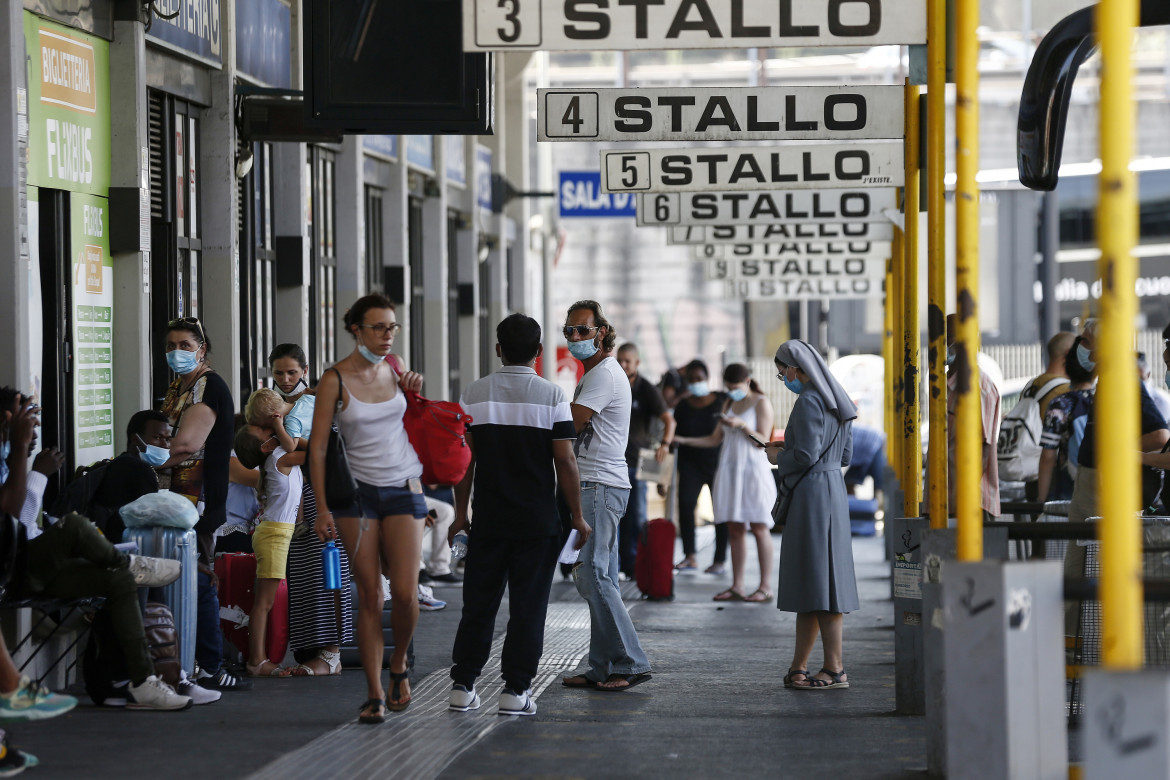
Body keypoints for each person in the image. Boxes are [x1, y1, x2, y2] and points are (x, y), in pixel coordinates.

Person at [0, 388, 192, 711]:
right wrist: (25, 459)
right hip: (13, 568)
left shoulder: (9, 457)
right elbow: (9, 519)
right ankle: (128, 561)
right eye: (28, 424)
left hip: (31, 562)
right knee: (74, 525)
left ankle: (142, 682)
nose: (33, 434)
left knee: (118, 580)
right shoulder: (12, 455)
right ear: (8, 421)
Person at [447, 314, 588, 715]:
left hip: (489, 520)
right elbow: (565, 461)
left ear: (498, 349)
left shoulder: (474, 393)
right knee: (529, 607)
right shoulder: (552, 396)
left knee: (478, 603)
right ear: (539, 352)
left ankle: (463, 684)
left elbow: (464, 463)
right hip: (537, 522)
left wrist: (461, 515)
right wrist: (577, 515)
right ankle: (515, 691)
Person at [309, 295, 428, 722]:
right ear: (355, 329)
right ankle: (376, 692)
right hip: (356, 497)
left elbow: (414, 421)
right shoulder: (333, 379)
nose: (387, 335)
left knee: (407, 594)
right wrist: (322, 508)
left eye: (392, 327)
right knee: (371, 595)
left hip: (403, 486)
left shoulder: (397, 369)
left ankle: (399, 666)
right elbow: (318, 449)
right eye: (378, 327)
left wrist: (414, 391)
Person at [154, 317, 252, 693]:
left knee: (200, 579)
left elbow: (185, 444)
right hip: (174, 501)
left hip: (198, 503)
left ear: (202, 348)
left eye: (184, 345)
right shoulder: (179, 386)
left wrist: (144, 459)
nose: (175, 352)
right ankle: (191, 660)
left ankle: (210, 666)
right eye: (170, 345)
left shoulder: (208, 387)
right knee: (186, 578)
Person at [559, 300, 652, 692]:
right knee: (603, 576)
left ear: (602, 332)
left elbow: (571, 422)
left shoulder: (603, 375)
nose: (576, 337)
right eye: (570, 332)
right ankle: (600, 665)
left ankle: (630, 661)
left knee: (593, 575)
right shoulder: (598, 373)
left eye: (583, 330)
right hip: (599, 483)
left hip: (599, 484)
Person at [767, 341, 858, 690]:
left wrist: (778, 457)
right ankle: (799, 667)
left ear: (794, 368)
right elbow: (845, 454)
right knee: (816, 582)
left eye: (782, 372)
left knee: (818, 582)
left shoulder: (807, 400)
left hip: (811, 495)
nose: (783, 378)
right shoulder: (838, 398)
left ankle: (834, 668)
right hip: (833, 488)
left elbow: (803, 456)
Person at [264, 344, 353, 678]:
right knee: (302, 574)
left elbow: (323, 448)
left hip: (321, 495)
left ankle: (332, 654)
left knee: (329, 571)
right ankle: (310, 650)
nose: (286, 379)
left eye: (292, 372)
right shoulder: (273, 403)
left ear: (304, 370)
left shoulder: (316, 401)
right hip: (292, 500)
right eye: (278, 373)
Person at [672, 363, 776, 603]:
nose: (732, 391)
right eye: (728, 387)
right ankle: (737, 585)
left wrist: (743, 426)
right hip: (729, 469)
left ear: (747, 381)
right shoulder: (728, 403)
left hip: (752, 470)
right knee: (735, 527)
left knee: (759, 527)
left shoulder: (761, 402)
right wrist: (684, 440)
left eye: (736, 387)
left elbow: (763, 441)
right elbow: (713, 439)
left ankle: (765, 586)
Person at [235, 390, 308, 678]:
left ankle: (260, 658)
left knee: (266, 602)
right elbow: (316, 452)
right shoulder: (280, 456)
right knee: (263, 603)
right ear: (266, 445)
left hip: (276, 533)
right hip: (274, 535)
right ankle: (257, 660)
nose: (273, 429)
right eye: (267, 430)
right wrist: (286, 423)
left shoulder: (275, 457)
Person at [926, 314, 1002, 519]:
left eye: (948, 337)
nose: (941, 344)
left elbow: (980, 448)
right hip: (948, 501)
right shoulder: (946, 384)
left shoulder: (977, 388)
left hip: (968, 505)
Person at [615, 343, 674, 579]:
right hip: (612, 462)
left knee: (636, 518)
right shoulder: (612, 384)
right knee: (613, 519)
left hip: (637, 463)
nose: (623, 365)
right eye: (620, 360)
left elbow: (669, 420)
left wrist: (665, 444)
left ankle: (633, 567)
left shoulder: (646, 389)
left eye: (627, 361)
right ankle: (614, 566)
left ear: (637, 363)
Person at [672, 359, 730, 574]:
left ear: (707, 378)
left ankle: (720, 559)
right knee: (686, 506)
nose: (696, 383)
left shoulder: (722, 400)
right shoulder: (683, 406)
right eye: (691, 380)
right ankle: (690, 556)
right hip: (689, 465)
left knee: (720, 511)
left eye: (699, 379)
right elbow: (673, 434)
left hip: (718, 463)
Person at [90, 410, 172, 544]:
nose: (165, 445)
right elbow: (150, 521)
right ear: (135, 439)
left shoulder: (120, 462)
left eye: (167, 439)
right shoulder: (140, 470)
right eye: (157, 437)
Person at [1036, 336, 1095, 503]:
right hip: (1102, 488)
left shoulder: (1060, 404)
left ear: (1066, 367)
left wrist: (1041, 498)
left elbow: (1048, 456)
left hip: (1068, 489)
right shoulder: (1104, 400)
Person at [1017, 332, 1074, 500]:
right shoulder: (1063, 391)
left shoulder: (1032, 385)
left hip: (1031, 473)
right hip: (1053, 477)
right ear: (1068, 354)